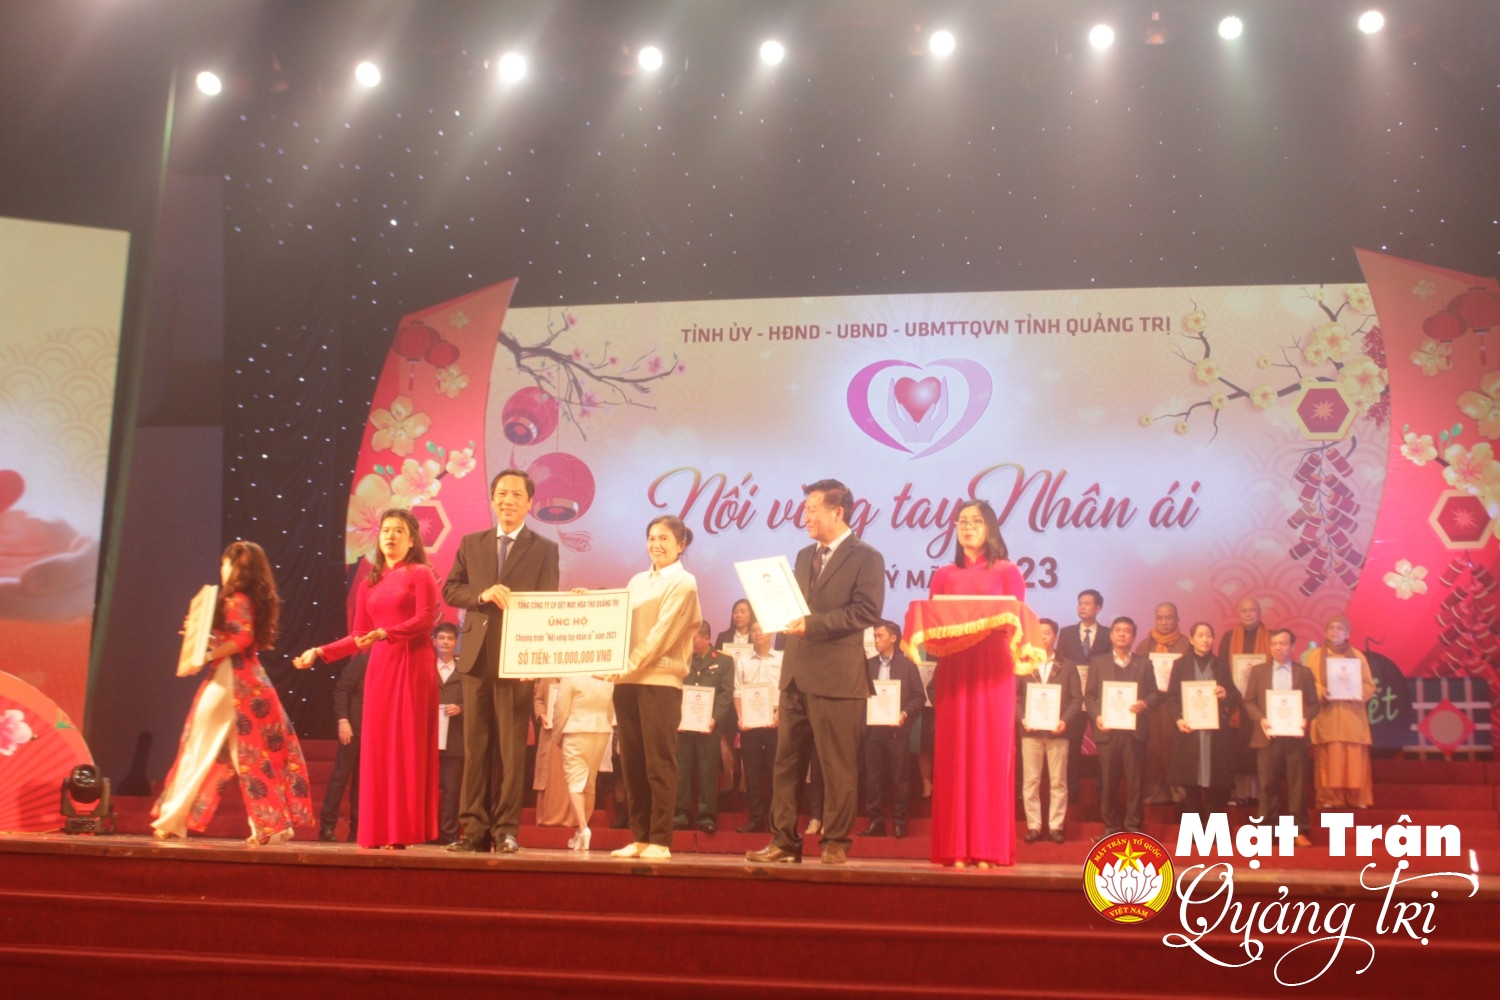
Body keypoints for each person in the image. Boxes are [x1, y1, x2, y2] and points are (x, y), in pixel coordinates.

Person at [747, 480, 885, 867]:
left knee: (837, 766)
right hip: (795, 675)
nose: (804, 517)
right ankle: (783, 841)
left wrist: (812, 624)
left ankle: (836, 841)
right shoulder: (805, 555)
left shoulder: (867, 557)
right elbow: (793, 607)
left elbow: (866, 611)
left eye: (812, 510)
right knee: (786, 764)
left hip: (838, 679)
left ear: (837, 512)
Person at [153, 540, 314, 844]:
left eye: (225, 564)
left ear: (236, 567)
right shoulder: (252, 600)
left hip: (231, 682)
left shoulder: (236, 599)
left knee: (200, 749)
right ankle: (272, 827)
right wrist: (201, 638)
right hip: (250, 681)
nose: (222, 569)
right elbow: (237, 639)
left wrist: (206, 654)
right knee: (248, 755)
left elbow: (241, 639)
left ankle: (173, 819)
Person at [295, 509, 440, 848]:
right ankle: (378, 830)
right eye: (386, 530)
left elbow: (426, 619)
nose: (390, 535)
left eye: (399, 530)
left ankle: (401, 831)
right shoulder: (368, 584)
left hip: (412, 663)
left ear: (412, 540)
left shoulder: (420, 573)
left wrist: (386, 633)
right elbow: (358, 636)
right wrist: (319, 651)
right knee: (378, 749)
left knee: (404, 747)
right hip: (381, 667)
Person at [442, 468, 561, 854]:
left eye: (516, 495)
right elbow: (451, 589)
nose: (508, 500)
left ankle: (506, 829)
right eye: (502, 494)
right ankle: (472, 829)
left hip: (517, 661)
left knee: (511, 751)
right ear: (492, 499)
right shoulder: (472, 543)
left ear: (530, 503)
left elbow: (546, 606)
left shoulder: (544, 549)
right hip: (476, 660)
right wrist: (482, 594)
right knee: (475, 748)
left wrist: (537, 663)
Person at [923, 499, 1026, 868]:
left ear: (990, 527)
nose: (967, 527)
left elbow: (1017, 620)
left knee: (990, 753)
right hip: (954, 665)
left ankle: (988, 848)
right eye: (962, 521)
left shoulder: (1007, 571)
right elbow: (934, 621)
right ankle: (955, 847)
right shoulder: (944, 574)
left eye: (976, 521)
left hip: (994, 667)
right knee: (953, 752)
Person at [603, 515, 702, 861]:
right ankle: (640, 838)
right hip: (627, 682)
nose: (656, 544)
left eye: (664, 539)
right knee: (631, 763)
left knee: (659, 762)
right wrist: (591, 607)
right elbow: (617, 622)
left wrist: (628, 664)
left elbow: (662, 636)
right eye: (651, 538)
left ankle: (660, 839)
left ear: (681, 545)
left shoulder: (684, 582)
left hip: (660, 682)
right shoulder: (636, 580)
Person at [1084, 617, 1162, 836]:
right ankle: (1110, 826)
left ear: (1134, 636)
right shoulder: (1098, 663)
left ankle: (1133, 826)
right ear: (1111, 635)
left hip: (1134, 732)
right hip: (1108, 732)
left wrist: (1144, 703)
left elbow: (1155, 694)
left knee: (1135, 782)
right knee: (1108, 781)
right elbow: (1090, 696)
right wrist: (1098, 716)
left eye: (1126, 631)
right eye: (1117, 630)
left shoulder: (1144, 663)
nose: (1121, 634)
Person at [1243, 628, 1319, 846]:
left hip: (1295, 738)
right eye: (1274, 644)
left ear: (1292, 646)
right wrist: (1261, 719)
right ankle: (1267, 831)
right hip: (1268, 737)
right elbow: (1249, 701)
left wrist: (1305, 718)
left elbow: (1314, 704)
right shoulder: (1259, 671)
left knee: (1297, 785)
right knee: (1267, 785)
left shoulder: (1304, 672)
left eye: (1283, 643)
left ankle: (1299, 831)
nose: (1278, 648)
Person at [1166, 622, 1242, 819]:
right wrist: (1178, 720)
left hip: (1215, 734)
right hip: (1190, 732)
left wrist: (1225, 694)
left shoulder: (1221, 665)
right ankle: (1194, 831)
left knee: (1215, 787)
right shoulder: (1180, 664)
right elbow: (1171, 698)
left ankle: (1213, 832)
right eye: (1200, 635)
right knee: (1191, 785)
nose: (1205, 639)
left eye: (1209, 635)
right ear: (1191, 639)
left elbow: (1236, 696)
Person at [1017, 618, 1081, 844]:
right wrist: (1023, 718)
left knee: (1058, 781)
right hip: (1031, 731)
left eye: (1047, 632)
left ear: (1055, 636)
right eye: (1039, 632)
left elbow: (1076, 699)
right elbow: (1015, 697)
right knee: (1030, 781)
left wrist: (1065, 721)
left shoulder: (1068, 665)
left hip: (1058, 732)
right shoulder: (1023, 664)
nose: (1043, 636)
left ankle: (1056, 826)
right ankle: (1034, 826)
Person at [860, 620, 925, 839]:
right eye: (874, 636)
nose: (876, 640)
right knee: (873, 777)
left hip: (897, 730)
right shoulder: (868, 665)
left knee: (900, 778)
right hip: (873, 730)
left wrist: (904, 713)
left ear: (893, 639)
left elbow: (919, 696)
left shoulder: (907, 665)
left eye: (880, 636)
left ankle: (899, 822)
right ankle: (875, 821)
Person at [1305, 614, 1377, 809]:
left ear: (1348, 633)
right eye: (1331, 628)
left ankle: (1357, 798)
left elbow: (1369, 685)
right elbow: (1308, 682)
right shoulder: (1315, 656)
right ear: (1326, 631)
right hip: (1327, 715)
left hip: (1352, 715)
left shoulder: (1358, 656)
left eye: (1340, 628)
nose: (1335, 631)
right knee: (1329, 760)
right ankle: (1330, 798)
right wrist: (1322, 691)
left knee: (1355, 759)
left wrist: (1359, 693)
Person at [675, 620, 734, 833]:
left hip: (709, 726)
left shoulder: (724, 661)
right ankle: (680, 815)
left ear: (707, 638)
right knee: (682, 771)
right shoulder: (683, 659)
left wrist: (715, 718)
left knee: (708, 771)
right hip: (684, 725)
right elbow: (676, 688)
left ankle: (706, 817)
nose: (690, 642)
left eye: (694, 638)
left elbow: (726, 694)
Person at [553, 673, 616, 851]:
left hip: (576, 730)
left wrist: (557, 734)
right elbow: (610, 711)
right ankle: (582, 831)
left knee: (575, 782)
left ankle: (583, 828)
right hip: (600, 732)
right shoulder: (607, 676)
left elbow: (561, 709)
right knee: (589, 782)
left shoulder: (572, 675)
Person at [1219, 597, 1270, 807]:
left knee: (1259, 751)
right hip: (1236, 704)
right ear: (1238, 614)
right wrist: (1230, 694)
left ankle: (1260, 795)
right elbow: (1222, 668)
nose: (1248, 614)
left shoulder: (1271, 637)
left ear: (1259, 612)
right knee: (1238, 751)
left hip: (1261, 705)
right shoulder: (1229, 637)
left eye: (1252, 610)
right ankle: (1238, 794)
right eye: (1244, 610)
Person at [1137, 602, 1190, 805]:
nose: (1164, 622)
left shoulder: (1187, 644)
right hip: (1153, 709)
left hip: (1178, 708)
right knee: (1153, 751)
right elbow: (1138, 677)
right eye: (1160, 618)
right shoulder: (1145, 645)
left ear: (1177, 619)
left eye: (1169, 617)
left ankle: (1179, 793)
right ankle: (1154, 792)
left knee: (1176, 750)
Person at [1056, 589, 1107, 800]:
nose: (1082, 607)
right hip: (1074, 700)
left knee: (1103, 746)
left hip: (1098, 699)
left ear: (1098, 608)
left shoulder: (1107, 634)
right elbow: (1060, 663)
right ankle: (1072, 791)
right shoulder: (1066, 633)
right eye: (1080, 603)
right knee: (1072, 745)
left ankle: (1102, 791)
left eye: (1087, 603)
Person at [734, 621, 781, 833]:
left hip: (774, 720)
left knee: (775, 772)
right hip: (750, 723)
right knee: (752, 773)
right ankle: (755, 818)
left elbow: (787, 690)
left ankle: (775, 819)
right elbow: (737, 691)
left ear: (771, 633)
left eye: (761, 629)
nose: (757, 633)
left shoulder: (781, 658)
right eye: (753, 630)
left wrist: (779, 714)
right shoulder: (743, 661)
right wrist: (740, 717)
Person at [319, 651, 367, 842]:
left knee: (362, 783)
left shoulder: (391, 667)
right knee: (340, 777)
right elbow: (342, 690)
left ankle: (357, 829)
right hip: (352, 728)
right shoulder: (362, 661)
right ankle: (327, 826)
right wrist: (343, 720)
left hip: (374, 733)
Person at [434, 623, 463, 844]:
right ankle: (424, 831)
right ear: (434, 641)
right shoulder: (424, 667)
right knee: (425, 789)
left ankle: (449, 834)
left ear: (456, 642)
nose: (445, 642)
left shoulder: (464, 671)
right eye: (441, 638)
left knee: (452, 790)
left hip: (455, 739)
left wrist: (461, 708)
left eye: (450, 638)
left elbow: (476, 700)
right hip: (427, 740)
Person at [532, 677, 572, 826]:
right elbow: (538, 699)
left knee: (571, 774)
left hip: (571, 733)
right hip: (549, 733)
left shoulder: (579, 674)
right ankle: (546, 816)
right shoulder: (547, 676)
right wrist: (542, 714)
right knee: (547, 774)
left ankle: (571, 818)